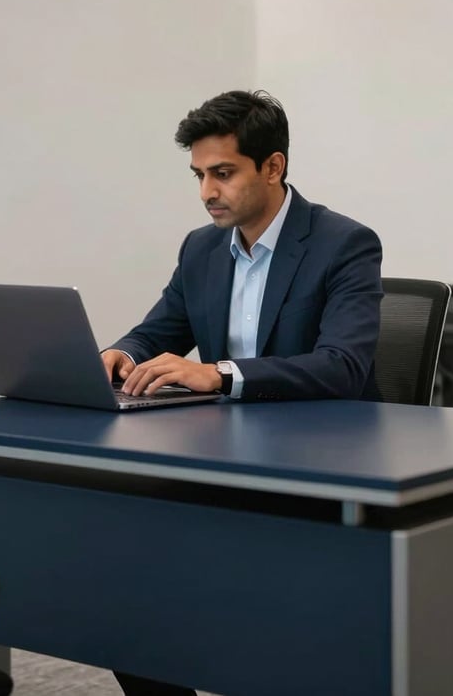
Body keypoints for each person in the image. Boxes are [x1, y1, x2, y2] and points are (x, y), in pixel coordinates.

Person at [101, 89, 383, 696]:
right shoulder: (201, 248)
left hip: (317, 463)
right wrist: (120, 352)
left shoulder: (345, 244)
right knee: (123, 582)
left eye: (222, 173)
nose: (207, 192)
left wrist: (222, 373)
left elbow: (344, 366)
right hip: (222, 455)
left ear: (273, 167)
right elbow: (158, 329)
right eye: (199, 175)